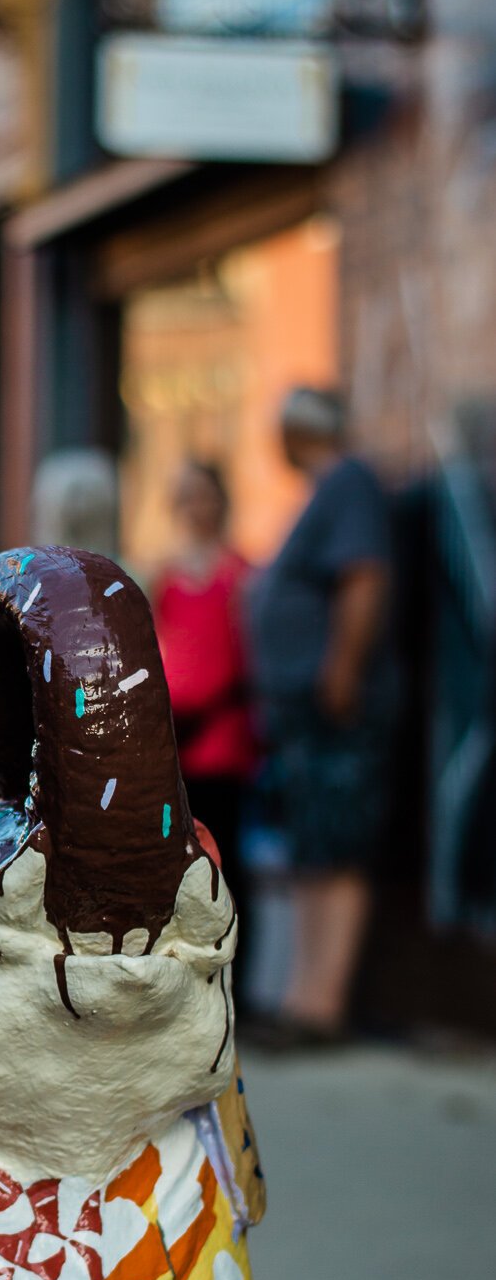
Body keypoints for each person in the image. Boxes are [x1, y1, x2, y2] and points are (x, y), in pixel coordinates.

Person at [248, 386, 397, 1043]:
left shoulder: (350, 483)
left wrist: (342, 669)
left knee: (337, 846)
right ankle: (303, 998)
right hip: (303, 709)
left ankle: (323, 1005)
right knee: (313, 847)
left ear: (300, 429)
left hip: (336, 704)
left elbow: (364, 576)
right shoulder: (326, 491)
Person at [151, 459, 257, 942]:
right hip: (177, 739)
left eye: (205, 494)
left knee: (226, 852)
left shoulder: (240, 575)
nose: (197, 507)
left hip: (223, 737)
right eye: (187, 495)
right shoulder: (165, 579)